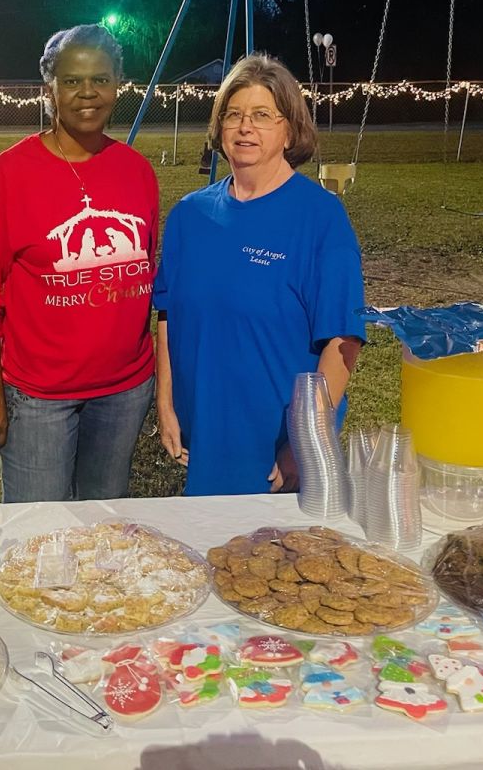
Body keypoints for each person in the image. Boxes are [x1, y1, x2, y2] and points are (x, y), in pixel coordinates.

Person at [0, 24, 159, 502]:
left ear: (118, 84)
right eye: (71, 81)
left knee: (101, 530)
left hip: (124, 391)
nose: (87, 93)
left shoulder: (137, 172)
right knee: (37, 533)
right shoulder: (10, 174)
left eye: (100, 79)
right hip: (39, 398)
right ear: (48, 87)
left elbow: (145, 269)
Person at [152, 54, 366, 496]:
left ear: (289, 130)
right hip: (208, 433)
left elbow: (342, 343)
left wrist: (303, 444)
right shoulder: (189, 216)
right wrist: (166, 402)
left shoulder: (321, 218)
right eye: (234, 115)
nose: (245, 127)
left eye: (263, 115)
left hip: (277, 450)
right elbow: (168, 314)